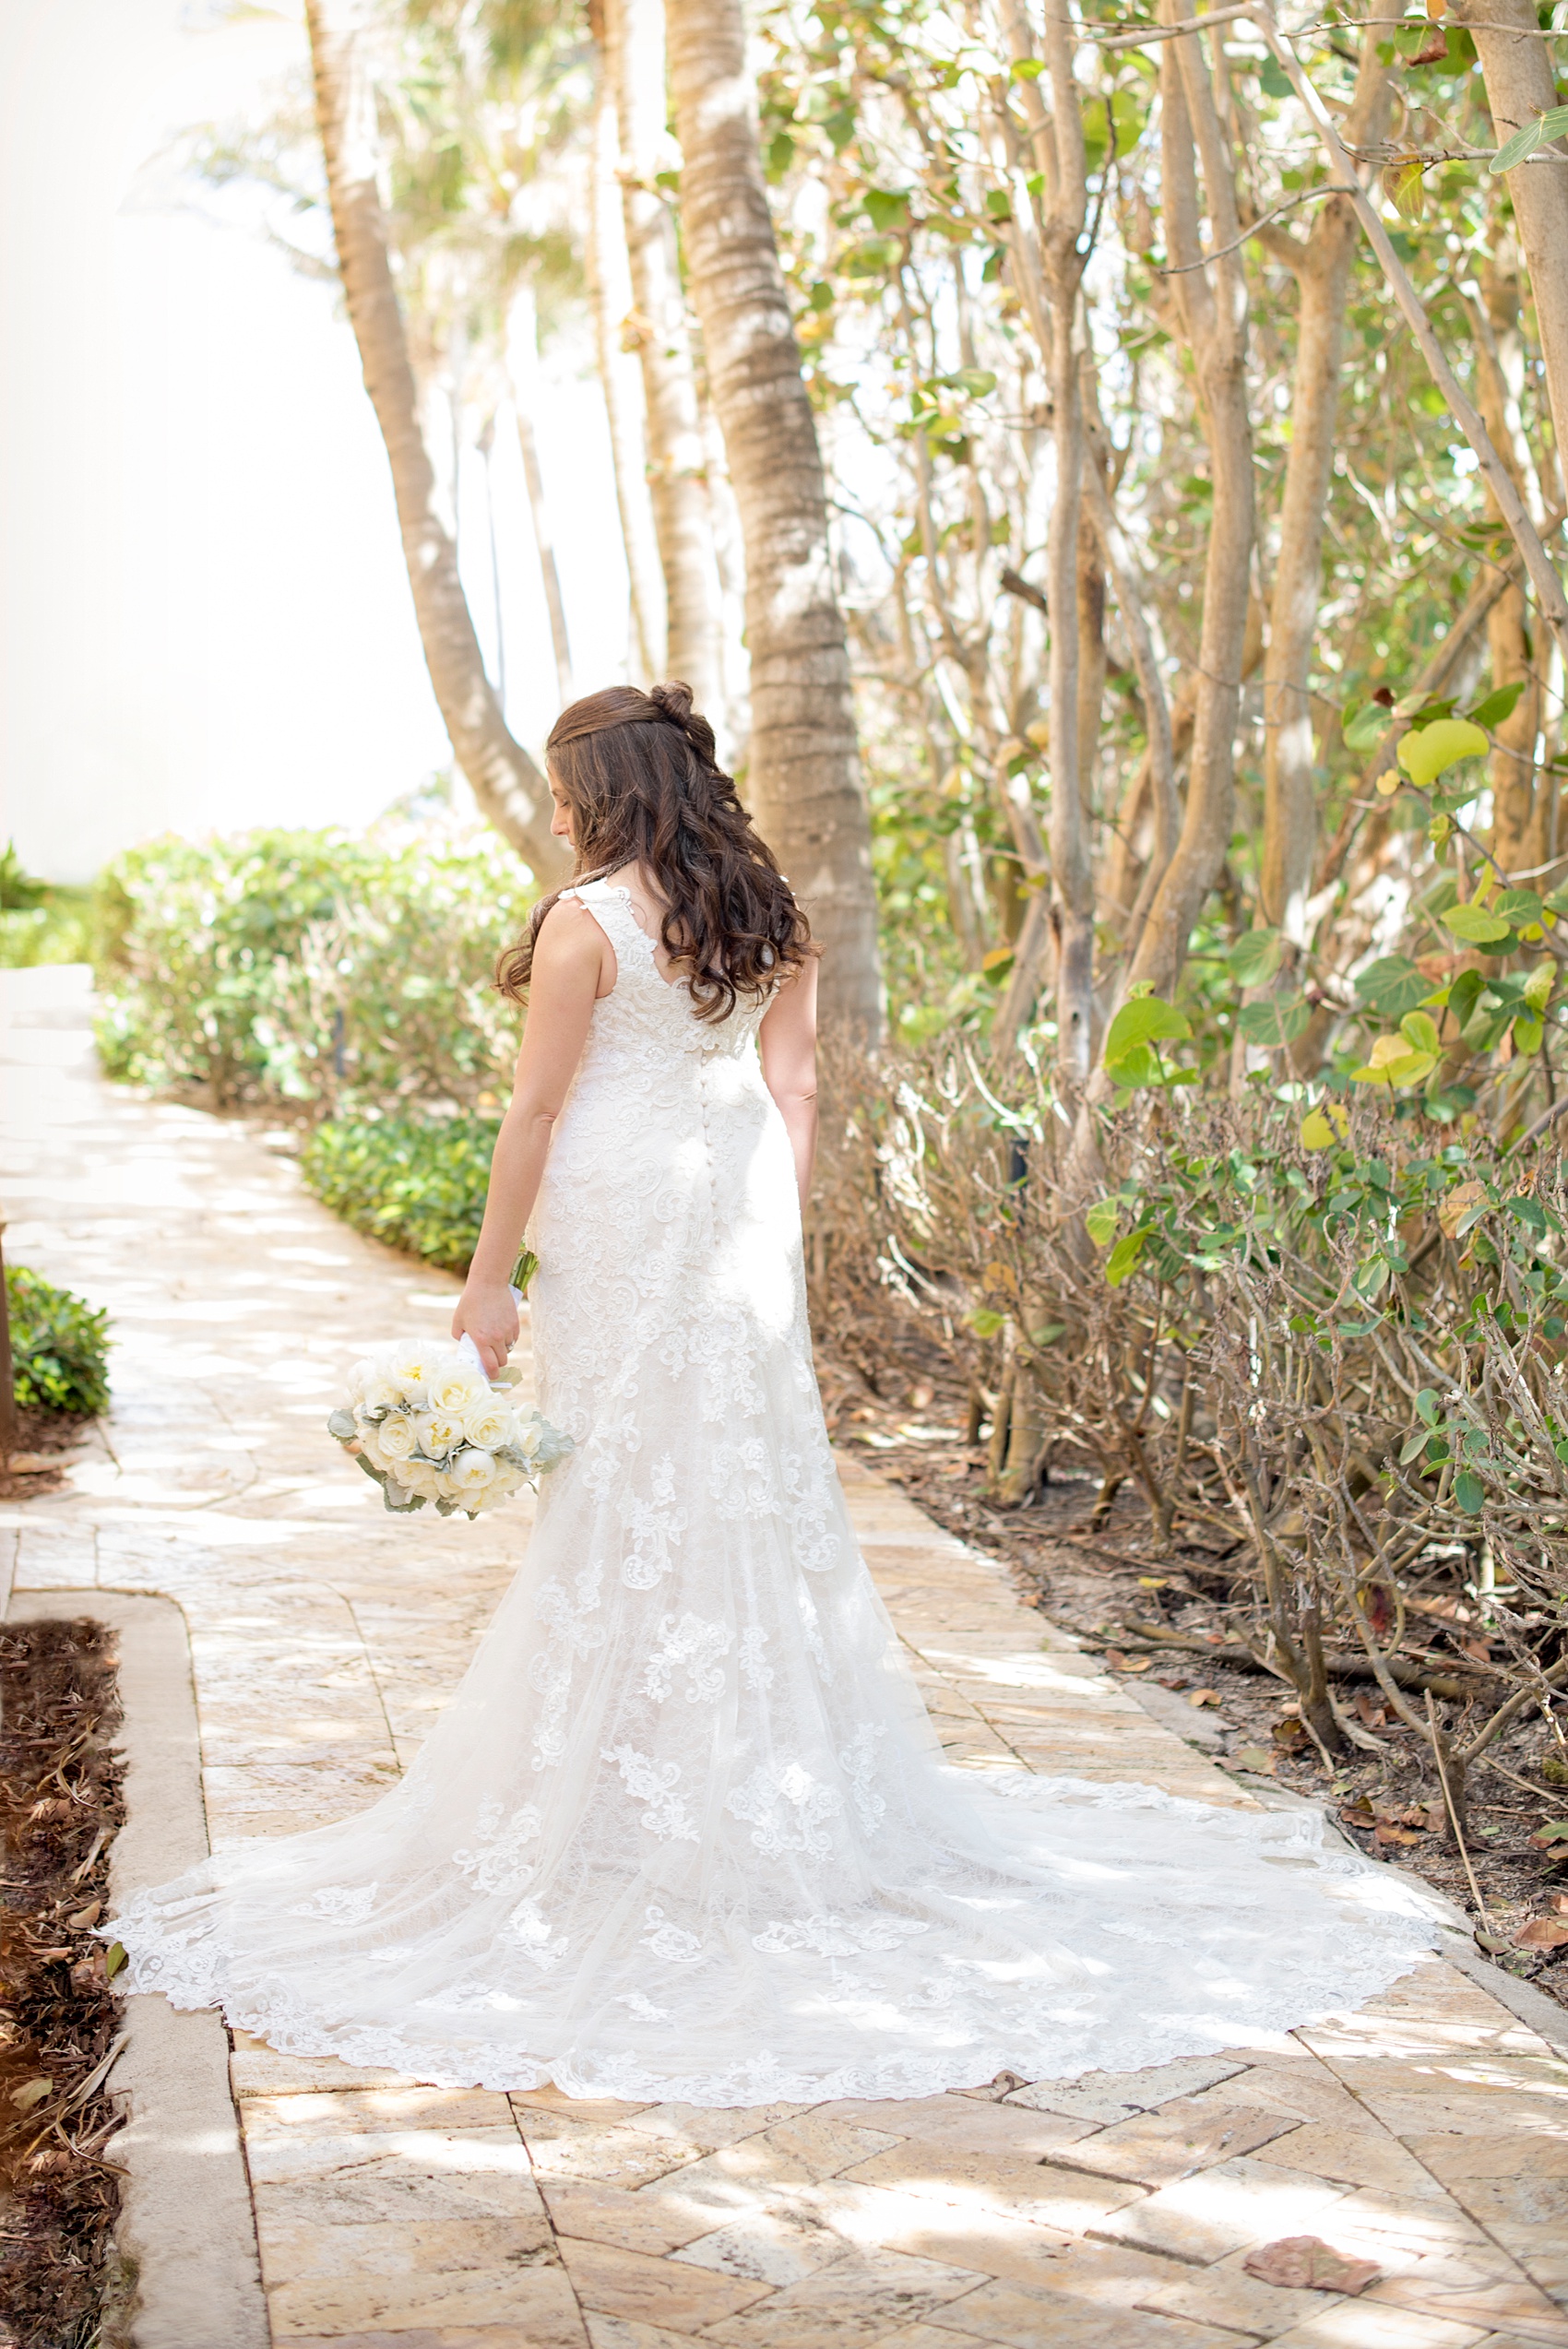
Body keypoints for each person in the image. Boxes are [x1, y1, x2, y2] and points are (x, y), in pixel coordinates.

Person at [106, 683, 1442, 2105]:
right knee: (736, 1480)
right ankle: (725, 1787)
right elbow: (794, 1094)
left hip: (619, 1220)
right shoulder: (773, 912)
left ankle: (625, 1799)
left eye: (564, 789)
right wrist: (772, 1245)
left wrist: (487, 1287)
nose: (554, 813)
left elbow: (537, 1112)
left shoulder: (584, 924)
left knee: (623, 1481)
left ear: (603, 789)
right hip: (739, 1221)